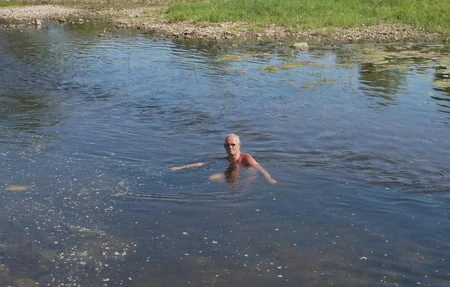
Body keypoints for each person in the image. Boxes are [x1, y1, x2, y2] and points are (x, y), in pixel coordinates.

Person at [171, 133, 277, 184]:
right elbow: (202, 163)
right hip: (233, 174)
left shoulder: (247, 159)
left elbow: (261, 169)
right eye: (227, 145)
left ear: (239, 145)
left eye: (232, 144)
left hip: (246, 175)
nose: (230, 147)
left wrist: (269, 178)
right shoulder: (226, 159)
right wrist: (180, 167)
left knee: (247, 176)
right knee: (211, 178)